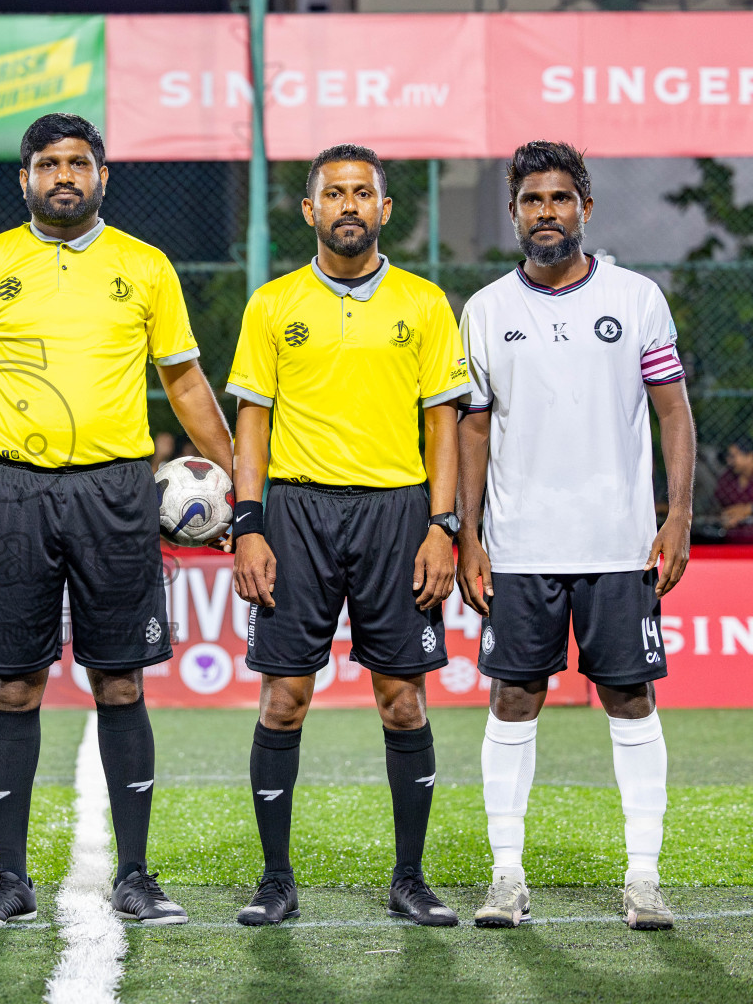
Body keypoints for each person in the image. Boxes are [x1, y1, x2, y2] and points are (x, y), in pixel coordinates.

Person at [0, 113, 233, 927]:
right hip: (12, 492)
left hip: (116, 492)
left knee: (120, 678)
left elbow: (184, 383)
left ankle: (136, 876)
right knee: (16, 682)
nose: (63, 175)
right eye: (47, 164)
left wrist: (245, 478)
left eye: (78, 163)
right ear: (24, 179)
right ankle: (8, 880)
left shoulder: (143, 266)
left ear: (104, 176)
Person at [457, 141, 695, 932]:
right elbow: (474, 430)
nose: (546, 213)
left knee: (629, 698)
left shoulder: (635, 298)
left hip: (619, 545)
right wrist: (468, 534)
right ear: (515, 212)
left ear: (585, 209)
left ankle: (644, 878)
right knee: (513, 697)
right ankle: (505, 877)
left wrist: (679, 513)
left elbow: (672, 411)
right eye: (531, 200)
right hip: (520, 546)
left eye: (560, 199)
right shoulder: (487, 310)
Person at [228, 144, 467, 927]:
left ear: (385, 209)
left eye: (363, 192)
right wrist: (249, 523)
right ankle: (274, 880)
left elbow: (444, 425)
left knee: (402, 702)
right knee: (285, 699)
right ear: (310, 210)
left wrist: (442, 525)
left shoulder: (426, 304)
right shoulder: (272, 305)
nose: (349, 204)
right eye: (334, 193)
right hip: (295, 514)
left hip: (398, 514)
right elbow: (251, 424)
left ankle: (410, 879)